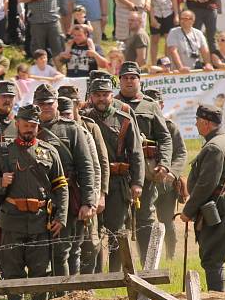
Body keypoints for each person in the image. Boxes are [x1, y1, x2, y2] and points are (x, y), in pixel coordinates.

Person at [0, 103, 68, 300]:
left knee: (41, 271)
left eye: (33, 125)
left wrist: (61, 216)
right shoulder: (3, 152)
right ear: (17, 123)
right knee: (12, 271)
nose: (29, 128)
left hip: (40, 220)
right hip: (12, 220)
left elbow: (61, 186)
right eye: (26, 124)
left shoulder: (49, 152)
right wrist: (0, 182)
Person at [32, 84, 96, 281]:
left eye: (49, 103)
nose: (45, 107)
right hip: (37, 198)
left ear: (56, 104)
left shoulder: (71, 129)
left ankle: (67, 295)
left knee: (64, 251)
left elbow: (86, 167)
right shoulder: (27, 127)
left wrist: (88, 202)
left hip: (66, 196)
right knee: (39, 253)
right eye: (41, 104)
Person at [82, 75, 144, 273]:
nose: (101, 99)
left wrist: (137, 183)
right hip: (93, 183)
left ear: (112, 96)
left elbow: (136, 153)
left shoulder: (123, 119)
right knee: (93, 234)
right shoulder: (85, 120)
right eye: (97, 95)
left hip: (118, 183)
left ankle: (117, 275)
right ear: (91, 97)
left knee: (116, 232)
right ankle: (97, 276)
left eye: (105, 95)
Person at [116, 61, 172, 266]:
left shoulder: (150, 106)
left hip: (147, 173)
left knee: (145, 219)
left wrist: (164, 164)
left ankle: (148, 268)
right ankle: (120, 271)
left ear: (139, 80)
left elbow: (165, 138)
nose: (129, 81)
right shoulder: (112, 105)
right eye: (125, 78)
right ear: (119, 80)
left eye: (133, 77)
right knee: (119, 220)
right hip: (120, 173)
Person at [179, 105, 225, 292]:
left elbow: (206, 184)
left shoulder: (214, 147)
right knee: (214, 258)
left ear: (206, 123)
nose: (196, 124)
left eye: (198, 121)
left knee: (213, 259)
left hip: (218, 207)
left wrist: (188, 210)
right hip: (223, 205)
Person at [57, 84, 108, 274]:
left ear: (78, 105)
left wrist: (100, 194)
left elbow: (99, 164)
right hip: (64, 194)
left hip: (86, 192)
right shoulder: (54, 128)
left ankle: (91, 284)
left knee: (91, 239)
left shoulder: (88, 127)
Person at [141, 88, 186, 258]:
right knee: (146, 221)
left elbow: (181, 153)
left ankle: (170, 256)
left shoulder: (170, 127)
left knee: (166, 220)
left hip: (166, 184)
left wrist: (172, 173)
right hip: (146, 182)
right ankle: (150, 258)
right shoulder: (141, 127)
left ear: (162, 105)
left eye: (157, 104)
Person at [146, 0, 179, 66]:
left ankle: (166, 63)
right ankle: (154, 63)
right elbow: (150, 0)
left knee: (168, 39)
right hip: (156, 13)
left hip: (168, 12)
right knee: (154, 39)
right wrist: (152, 18)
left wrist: (176, 15)